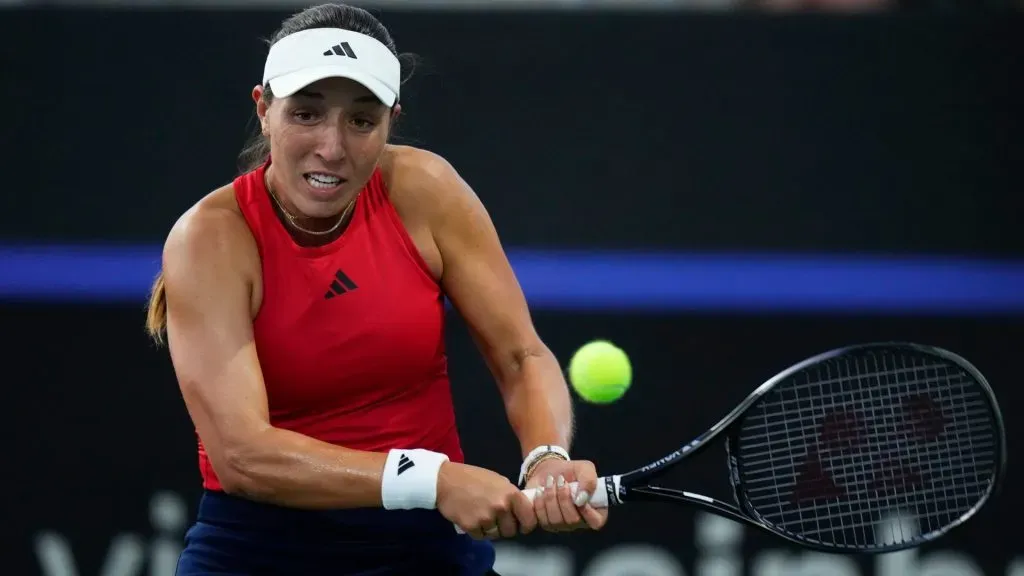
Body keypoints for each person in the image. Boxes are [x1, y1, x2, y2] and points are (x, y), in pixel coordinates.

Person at [143, 3, 608, 574]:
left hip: (423, 550)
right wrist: (432, 478)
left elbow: (521, 355)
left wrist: (546, 458)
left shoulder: (425, 189)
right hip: (258, 552)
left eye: (361, 121)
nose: (332, 148)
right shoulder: (209, 239)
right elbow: (243, 456)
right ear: (263, 110)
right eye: (306, 114)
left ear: (391, 119)